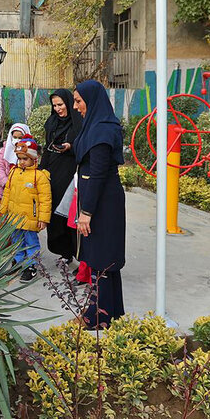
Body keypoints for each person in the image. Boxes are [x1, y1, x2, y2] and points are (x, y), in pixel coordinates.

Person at [73, 80, 127, 329]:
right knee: (103, 259)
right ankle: (111, 312)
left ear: (91, 101)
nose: (76, 107)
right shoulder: (95, 126)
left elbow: (97, 174)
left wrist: (86, 213)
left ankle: (99, 316)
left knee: (102, 259)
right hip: (100, 201)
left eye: (78, 101)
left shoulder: (102, 130)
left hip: (103, 204)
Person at [0, 135, 51, 283]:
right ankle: (18, 260)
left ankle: (32, 265)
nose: (21, 162)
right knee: (16, 240)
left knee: (31, 242)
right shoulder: (14, 172)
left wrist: (43, 219)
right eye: (19, 158)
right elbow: (7, 191)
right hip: (14, 216)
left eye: (25, 159)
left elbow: (45, 199)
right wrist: (3, 210)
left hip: (30, 218)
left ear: (34, 159)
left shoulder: (40, 176)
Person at [41, 89, 83, 264]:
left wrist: (70, 147)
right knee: (54, 214)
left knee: (69, 214)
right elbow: (46, 146)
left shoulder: (78, 123)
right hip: (52, 171)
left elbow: (83, 146)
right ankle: (64, 251)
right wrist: (41, 171)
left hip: (70, 173)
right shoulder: (51, 122)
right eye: (55, 105)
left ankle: (77, 253)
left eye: (61, 104)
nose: (58, 109)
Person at [0, 123, 31, 200]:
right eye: (14, 137)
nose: (17, 140)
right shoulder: (4, 150)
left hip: (24, 192)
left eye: (20, 137)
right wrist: (6, 183)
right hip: (6, 191)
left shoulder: (31, 151)